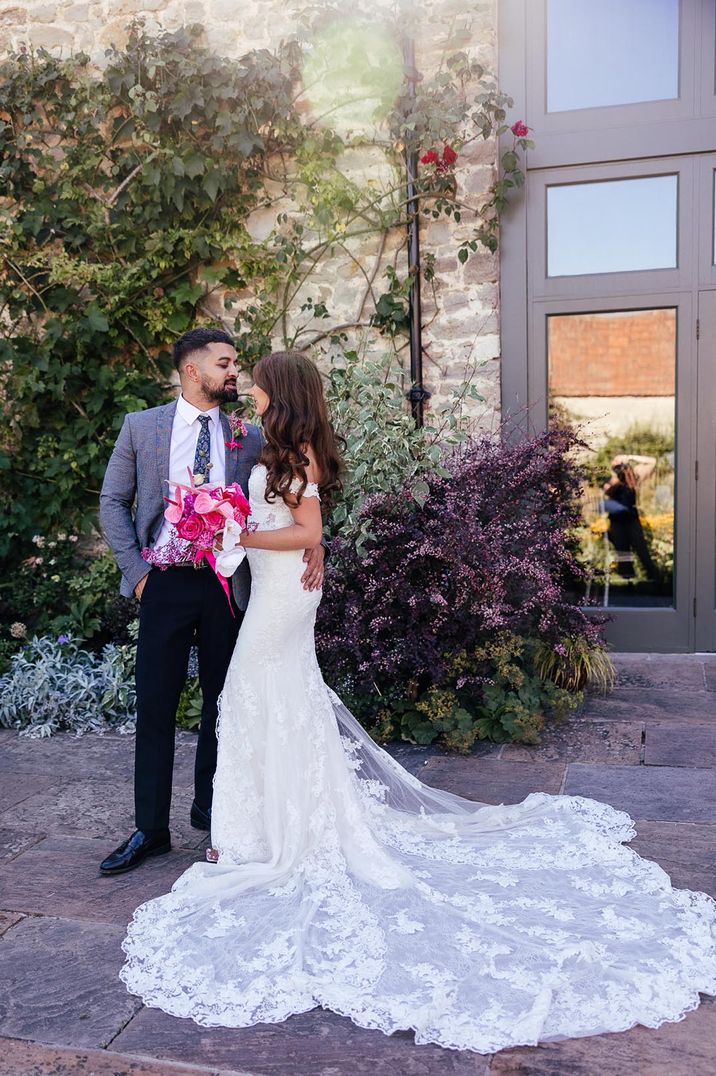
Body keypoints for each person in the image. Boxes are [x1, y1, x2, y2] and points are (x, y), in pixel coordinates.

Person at [120, 351, 715, 1054]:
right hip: (279, 586)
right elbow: (300, 527)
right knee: (261, 700)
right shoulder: (273, 443)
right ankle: (254, 828)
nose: (246, 382)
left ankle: (264, 834)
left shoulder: (297, 450)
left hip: (283, 593)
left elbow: (309, 531)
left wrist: (237, 532)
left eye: (257, 378)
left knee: (257, 694)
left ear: (279, 390)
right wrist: (233, 529)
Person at [98, 330, 324, 876]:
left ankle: (214, 810)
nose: (235, 375)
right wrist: (138, 574)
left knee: (227, 701)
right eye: (225, 364)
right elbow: (111, 501)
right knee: (155, 704)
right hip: (165, 582)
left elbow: (295, 496)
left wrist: (315, 546)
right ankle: (149, 829)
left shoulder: (249, 435)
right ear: (192, 370)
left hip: (231, 584)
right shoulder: (142, 427)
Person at [602, 457, 661, 584]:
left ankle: (655, 579)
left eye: (620, 464)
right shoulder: (610, 480)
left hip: (631, 519)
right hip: (617, 520)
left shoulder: (633, 476)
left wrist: (629, 457)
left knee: (641, 549)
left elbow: (652, 462)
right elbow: (607, 493)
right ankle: (627, 583)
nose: (618, 467)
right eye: (615, 464)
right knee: (622, 552)